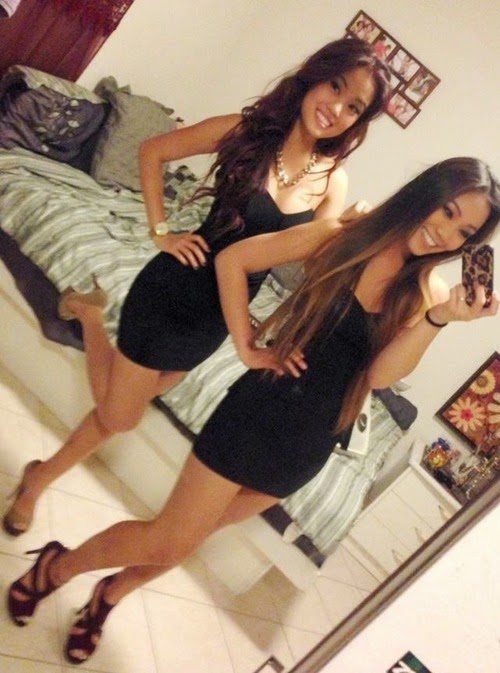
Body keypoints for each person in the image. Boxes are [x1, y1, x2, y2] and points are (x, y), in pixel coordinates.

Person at [7, 157, 500, 664]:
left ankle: (108, 596)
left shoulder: (427, 294)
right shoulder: (346, 234)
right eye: (447, 211)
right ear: (425, 194)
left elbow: (378, 377)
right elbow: (235, 260)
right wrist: (245, 346)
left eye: (464, 233)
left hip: (310, 444)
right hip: (258, 413)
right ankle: (56, 568)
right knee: (168, 541)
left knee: (190, 540)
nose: (446, 234)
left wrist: (440, 318)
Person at [2, 36, 391, 537]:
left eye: (354, 107)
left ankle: (43, 464)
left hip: (221, 316)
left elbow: (312, 265)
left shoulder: (332, 181)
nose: (336, 109)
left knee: (120, 407)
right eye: (335, 87)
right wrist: (161, 231)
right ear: (314, 77)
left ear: (359, 122)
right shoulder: (247, 131)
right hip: (174, 288)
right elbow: (154, 151)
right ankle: (87, 330)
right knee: (120, 417)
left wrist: (349, 232)